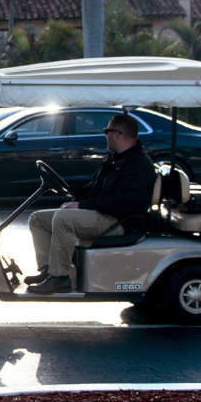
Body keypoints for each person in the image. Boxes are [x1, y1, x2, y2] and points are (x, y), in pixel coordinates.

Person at [25, 113, 158, 294]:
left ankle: (60, 277)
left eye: (106, 131)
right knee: (38, 219)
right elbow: (94, 189)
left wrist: (82, 206)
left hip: (120, 221)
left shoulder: (139, 165)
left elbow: (124, 203)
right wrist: (72, 193)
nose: (105, 135)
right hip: (103, 213)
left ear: (117, 133)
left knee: (64, 219)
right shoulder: (115, 159)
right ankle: (48, 270)